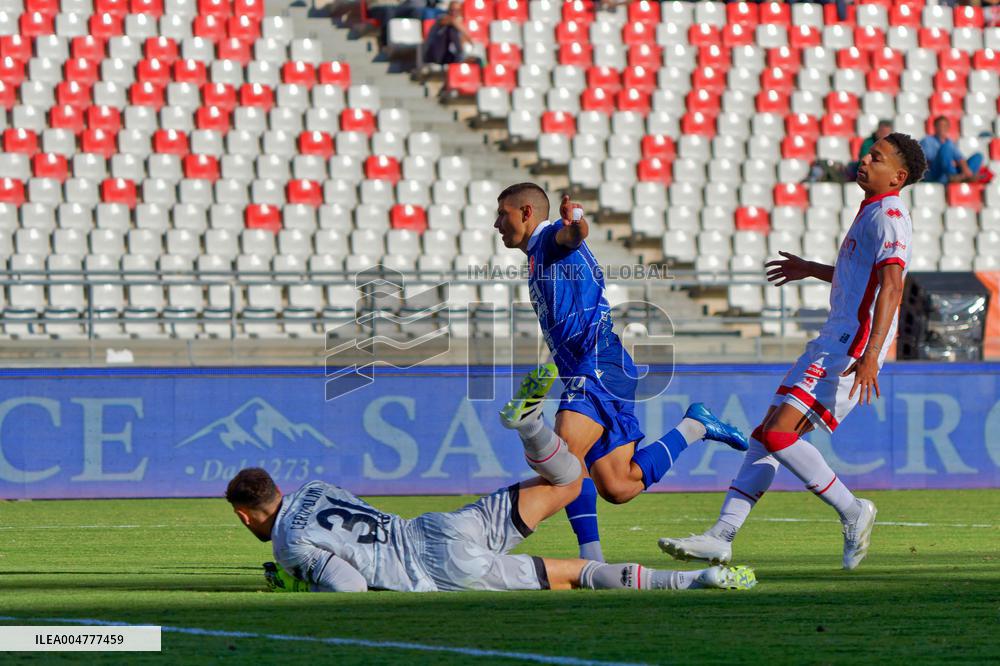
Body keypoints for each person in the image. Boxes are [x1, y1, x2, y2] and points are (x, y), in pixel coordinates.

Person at [659, 133, 928, 571]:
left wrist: (872, 352)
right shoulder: (872, 211)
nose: (864, 160)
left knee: (779, 434)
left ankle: (852, 509)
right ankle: (721, 537)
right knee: (765, 436)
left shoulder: (891, 214)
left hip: (851, 345)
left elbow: (893, 285)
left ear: (897, 176)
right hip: (834, 338)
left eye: (875, 158)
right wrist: (811, 269)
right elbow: (860, 277)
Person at [493, 183, 749, 563]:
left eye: (503, 214)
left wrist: (576, 221)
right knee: (618, 485)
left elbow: (574, 235)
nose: (497, 224)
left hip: (599, 359)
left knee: (564, 454)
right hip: (595, 366)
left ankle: (587, 560)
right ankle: (694, 427)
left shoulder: (549, 238)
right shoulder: (535, 256)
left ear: (527, 212)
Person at [225, 467, 757, 593]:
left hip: (435, 566)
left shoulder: (286, 542)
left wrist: (299, 580)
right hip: (438, 526)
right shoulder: (316, 487)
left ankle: (692, 583)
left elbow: (351, 585)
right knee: (566, 482)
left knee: (569, 575)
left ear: (245, 515)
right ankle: (534, 429)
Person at [920, 116, 984, 184]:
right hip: (935, 173)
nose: (942, 128)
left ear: (948, 128)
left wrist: (966, 170)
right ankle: (954, 176)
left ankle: (964, 177)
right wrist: (946, 159)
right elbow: (928, 161)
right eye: (939, 125)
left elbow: (960, 158)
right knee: (946, 147)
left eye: (945, 126)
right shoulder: (927, 140)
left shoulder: (949, 142)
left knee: (978, 156)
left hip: (950, 170)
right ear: (935, 127)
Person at [423, 1, 475, 65]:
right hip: (435, 55)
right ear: (448, 10)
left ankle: (462, 58)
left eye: (457, 10)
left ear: (461, 11)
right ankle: (461, 58)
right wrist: (470, 39)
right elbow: (452, 21)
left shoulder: (459, 25)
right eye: (452, 10)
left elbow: (462, 40)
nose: (454, 12)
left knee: (476, 60)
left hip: (448, 55)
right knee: (451, 29)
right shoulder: (442, 18)